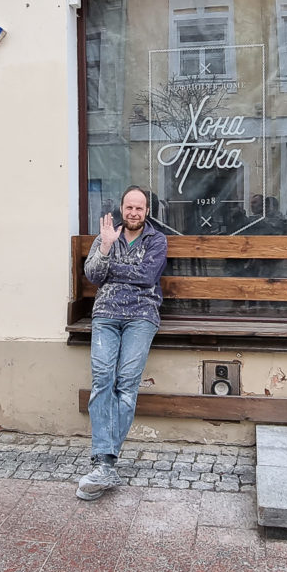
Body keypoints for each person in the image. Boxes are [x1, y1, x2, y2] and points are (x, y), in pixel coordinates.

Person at [77, 185, 167, 501]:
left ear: (146, 211)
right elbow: (92, 274)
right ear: (122, 208)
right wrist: (104, 248)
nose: (133, 213)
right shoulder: (107, 235)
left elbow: (146, 276)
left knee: (126, 383)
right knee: (103, 380)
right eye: (129, 207)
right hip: (106, 314)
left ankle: (104, 462)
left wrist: (113, 271)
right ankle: (106, 464)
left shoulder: (156, 240)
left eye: (139, 208)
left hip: (142, 314)